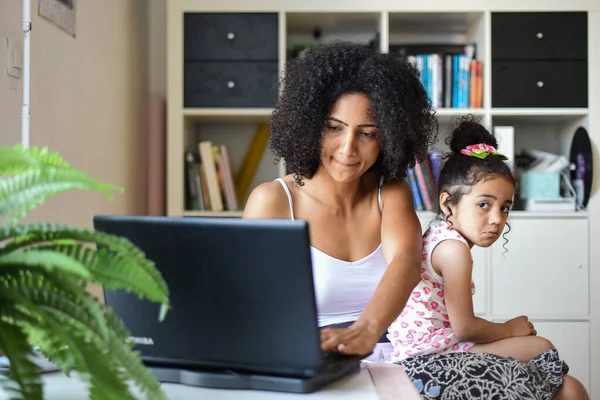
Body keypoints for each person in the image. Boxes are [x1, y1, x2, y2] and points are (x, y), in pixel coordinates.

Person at [243, 41, 587, 399]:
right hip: (323, 362)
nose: (347, 149)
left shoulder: (389, 193)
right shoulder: (273, 202)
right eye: (334, 127)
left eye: (367, 133)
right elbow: (254, 311)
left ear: (389, 137)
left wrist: (367, 329)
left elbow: (406, 265)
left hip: (402, 356)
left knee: (571, 390)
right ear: (310, 124)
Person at [386, 116, 589, 399]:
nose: (497, 219)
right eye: (484, 205)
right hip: (428, 361)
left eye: (505, 208)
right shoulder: (454, 250)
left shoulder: (439, 234)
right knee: (541, 347)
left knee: (560, 375)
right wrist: (508, 329)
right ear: (448, 203)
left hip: (430, 350)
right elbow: (465, 327)